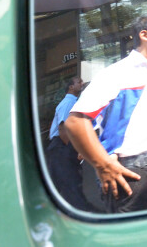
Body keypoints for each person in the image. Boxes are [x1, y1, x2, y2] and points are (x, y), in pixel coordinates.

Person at [63, 13, 147, 213]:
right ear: (145, 34)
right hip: (132, 172)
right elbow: (75, 123)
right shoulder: (116, 73)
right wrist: (102, 165)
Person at [45, 77, 92, 211]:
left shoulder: (73, 102)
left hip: (61, 147)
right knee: (70, 183)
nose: (82, 83)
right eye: (79, 82)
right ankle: (82, 213)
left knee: (64, 184)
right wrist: (74, 148)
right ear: (71, 87)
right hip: (62, 146)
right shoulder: (68, 103)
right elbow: (63, 128)